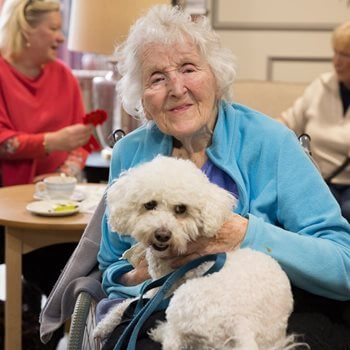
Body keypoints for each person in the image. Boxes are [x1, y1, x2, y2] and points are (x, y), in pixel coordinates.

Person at [97, 5, 350, 349]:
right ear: (141, 96)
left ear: (215, 76)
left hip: (273, 308)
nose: (176, 87)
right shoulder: (130, 152)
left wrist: (244, 233)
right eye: (157, 78)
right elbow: (111, 265)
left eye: (188, 68)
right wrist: (141, 274)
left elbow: (343, 265)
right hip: (164, 307)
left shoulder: (272, 143)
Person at [0, 0, 92, 348]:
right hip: (4, 206)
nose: (60, 36)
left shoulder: (63, 77)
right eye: (53, 28)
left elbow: (81, 143)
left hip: (52, 206)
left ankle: (45, 335)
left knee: (68, 275)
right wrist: (51, 142)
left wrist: (66, 173)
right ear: (26, 28)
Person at [279, 21, 350, 223]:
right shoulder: (321, 86)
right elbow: (288, 120)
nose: (337, 61)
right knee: (313, 207)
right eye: (336, 52)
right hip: (320, 179)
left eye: (345, 55)